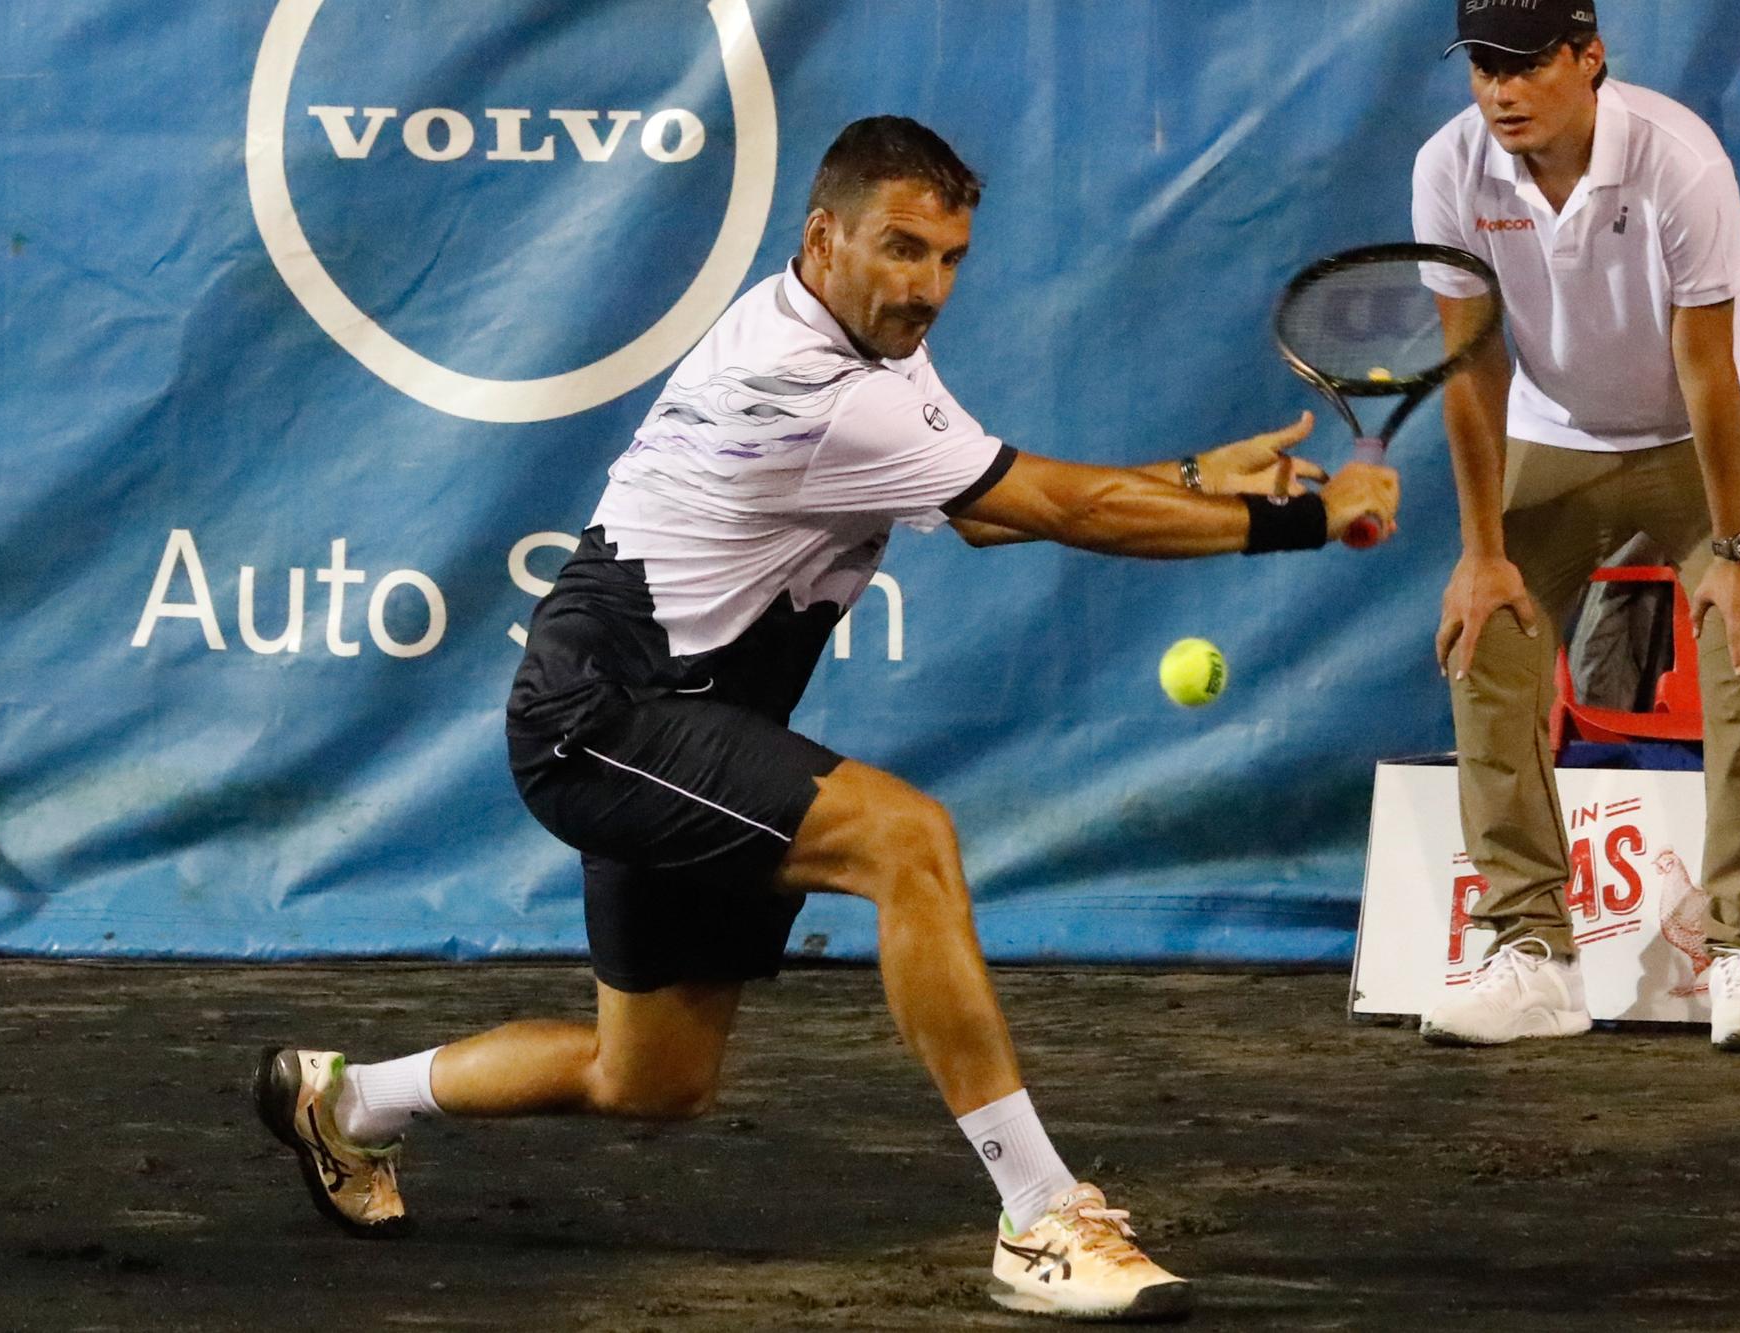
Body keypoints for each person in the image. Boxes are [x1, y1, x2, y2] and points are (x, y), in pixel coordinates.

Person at [253, 115, 1401, 1320]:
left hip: (666, 720)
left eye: (951, 258)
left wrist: (1185, 479)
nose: (929, 287)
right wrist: (1302, 521)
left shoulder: (868, 345)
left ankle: (347, 1100)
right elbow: (1059, 507)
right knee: (903, 840)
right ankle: (1040, 1216)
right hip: (607, 714)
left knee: (648, 1078)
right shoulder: (803, 378)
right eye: (903, 250)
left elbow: (977, 507)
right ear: (824, 236)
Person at [1412, 1, 1740, 1052]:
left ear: (1587, 59)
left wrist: (1734, 551)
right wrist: (1481, 555)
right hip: (1555, 432)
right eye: (1481, 66)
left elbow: (1704, 364)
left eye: (1525, 63)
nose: (1499, 89)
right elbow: (1472, 372)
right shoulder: (1447, 168)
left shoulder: (1676, 157)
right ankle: (1530, 956)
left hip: (1709, 429)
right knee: (1484, 636)